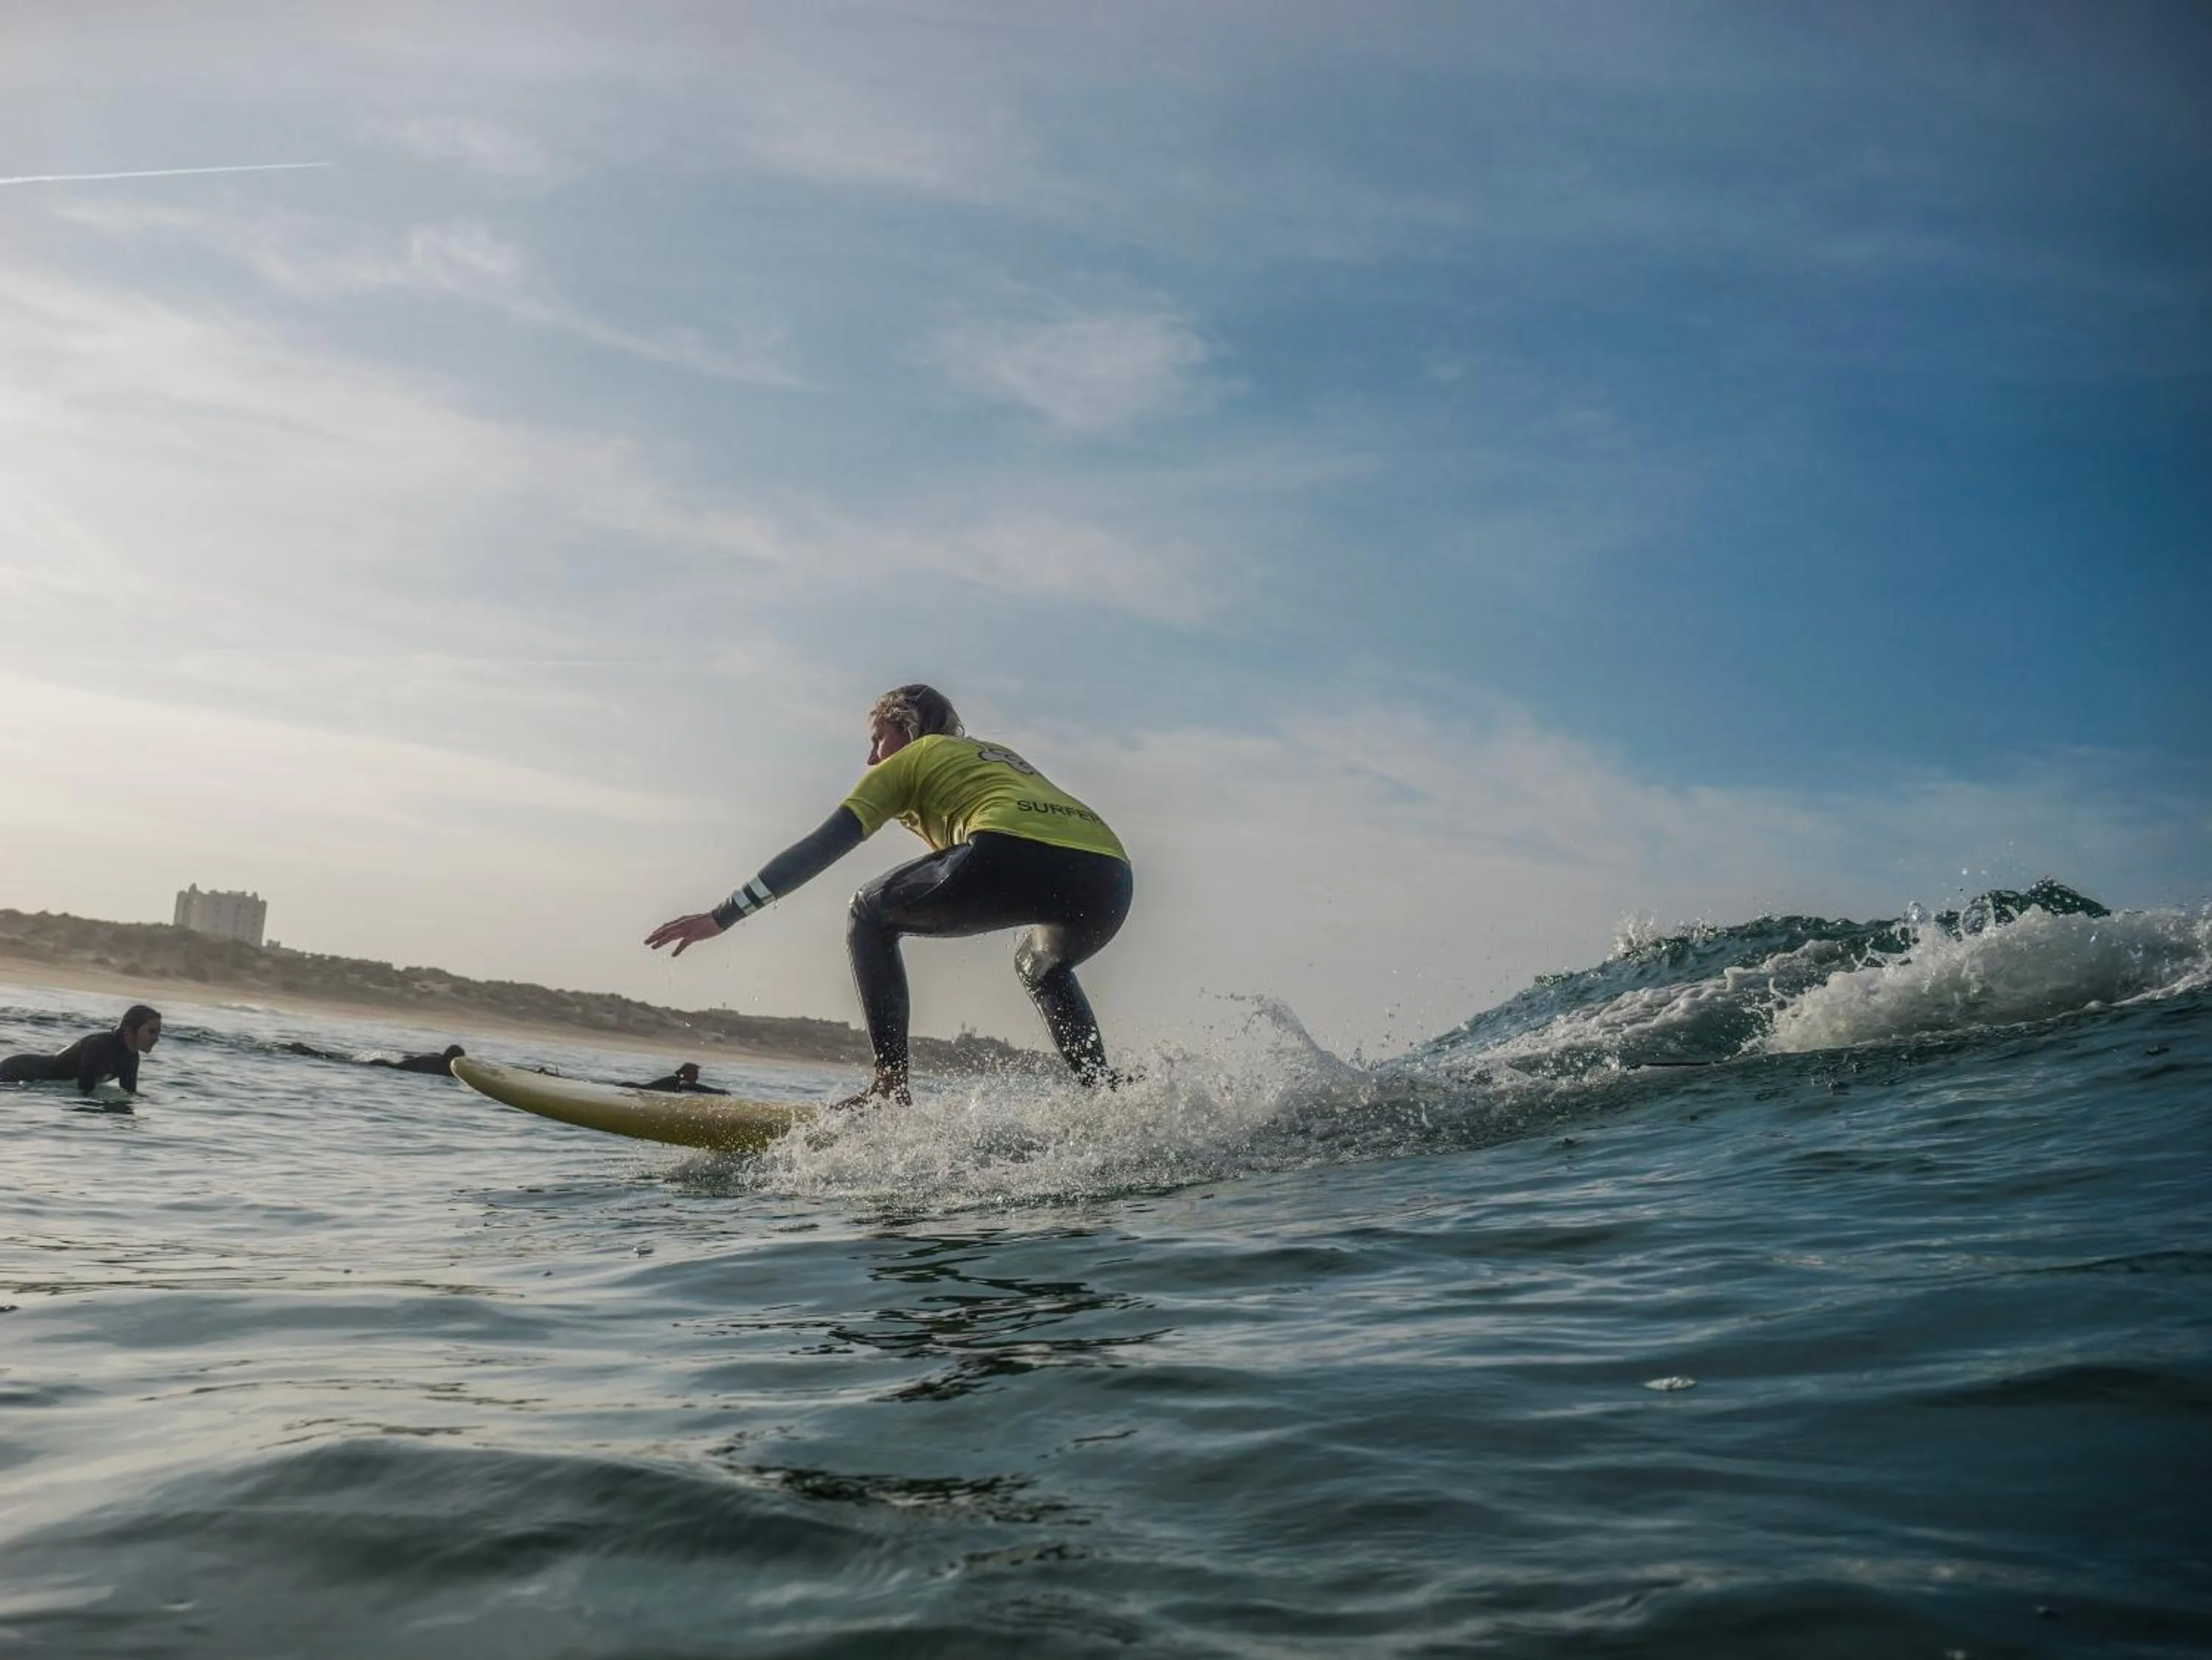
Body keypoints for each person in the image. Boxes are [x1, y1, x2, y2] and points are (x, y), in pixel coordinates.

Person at [646, 683, 1133, 1107]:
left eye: (878, 739)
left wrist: (723, 915)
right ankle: (1103, 1092)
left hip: (1010, 845)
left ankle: (889, 1089)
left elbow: (824, 845)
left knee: (868, 911)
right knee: (1041, 967)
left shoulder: (910, 760)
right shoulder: (993, 755)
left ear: (907, 728)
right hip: (1108, 873)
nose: (872, 757)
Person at [1, 1004, 163, 1095]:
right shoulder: (98, 1046)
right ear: (129, 1030)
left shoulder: (131, 1057)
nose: (156, 1038)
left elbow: (129, 1095)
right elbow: (85, 1092)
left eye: (158, 1032)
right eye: (151, 1031)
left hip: (35, 1085)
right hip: (18, 1071)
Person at [625, 1061, 730, 1095]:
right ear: (685, 1073)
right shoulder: (679, 1081)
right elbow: (691, 1086)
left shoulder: (676, 1081)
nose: (698, 1077)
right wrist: (717, 1091)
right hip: (635, 1088)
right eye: (695, 1073)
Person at [366, 1045, 466, 1076]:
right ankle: (367, 1064)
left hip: (413, 1062)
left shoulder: (439, 1057)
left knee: (393, 1065)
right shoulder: (447, 1069)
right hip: (412, 1066)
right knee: (392, 1066)